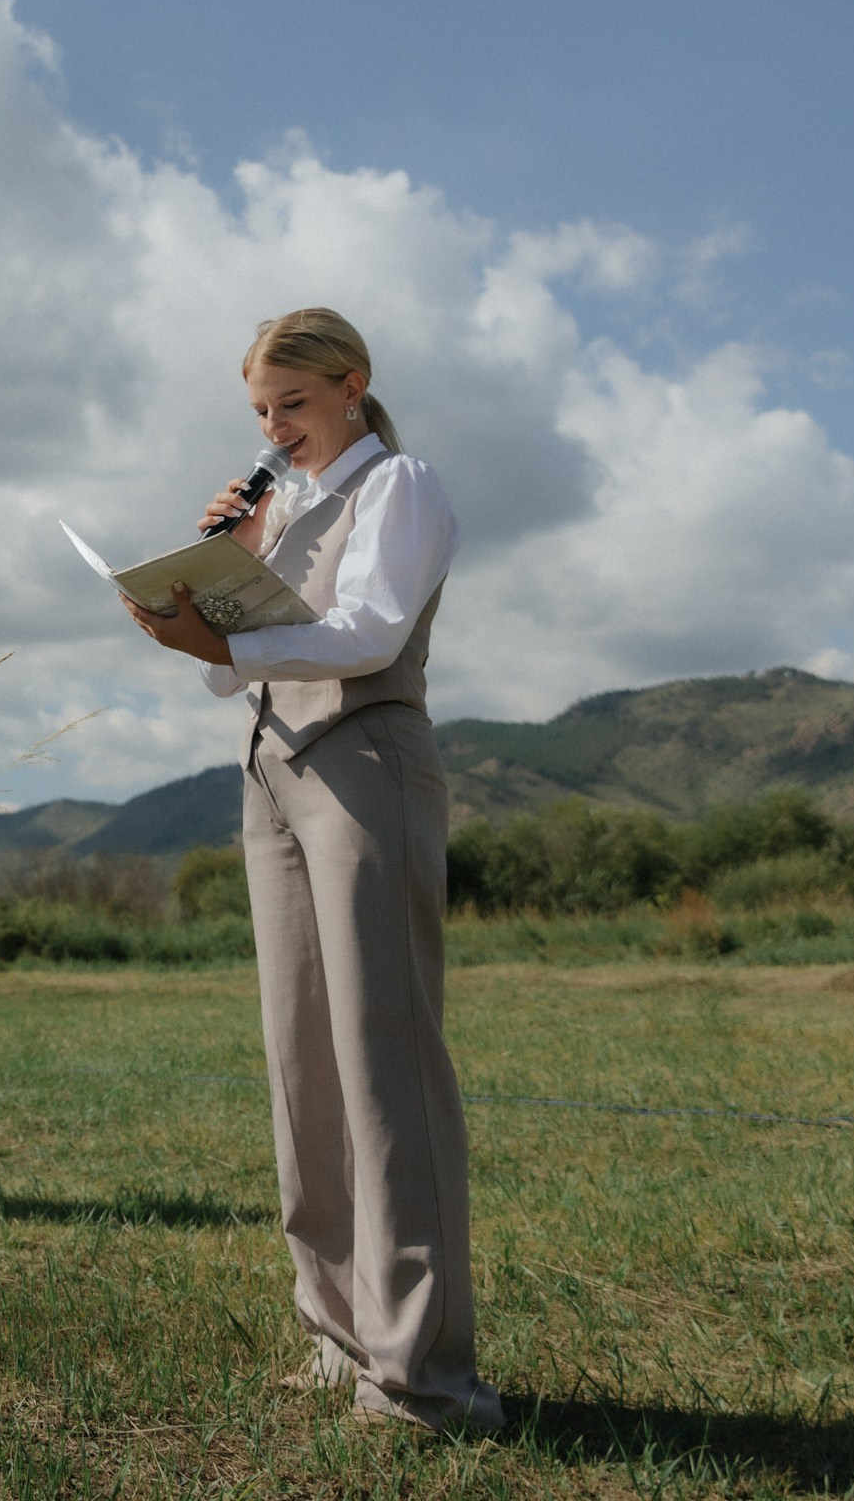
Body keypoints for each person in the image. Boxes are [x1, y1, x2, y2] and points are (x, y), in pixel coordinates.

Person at [123, 308, 503, 1434]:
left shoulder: (402, 487)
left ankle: (427, 1379)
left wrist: (225, 642)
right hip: (272, 767)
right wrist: (217, 579)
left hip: (368, 759)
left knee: (385, 1063)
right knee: (303, 1064)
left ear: (351, 386)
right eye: (259, 410)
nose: (275, 426)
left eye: (292, 402)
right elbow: (230, 674)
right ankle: (339, 1336)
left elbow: (371, 631)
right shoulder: (282, 508)